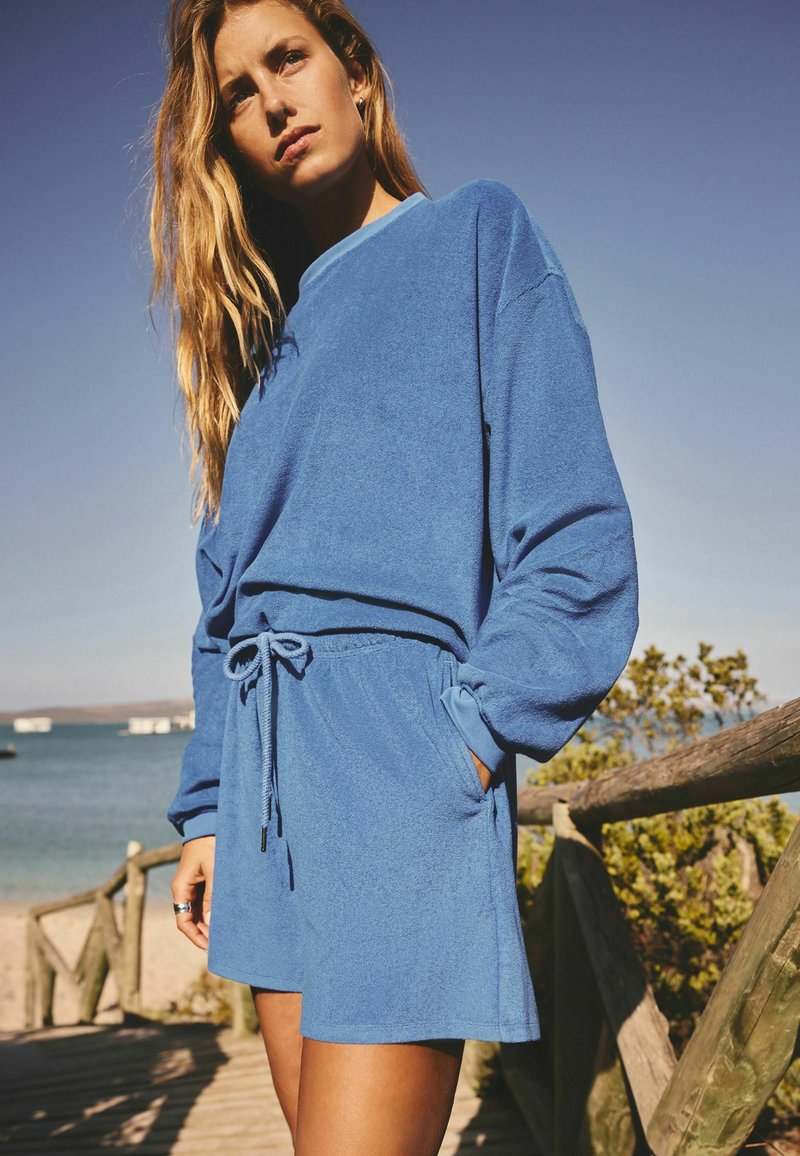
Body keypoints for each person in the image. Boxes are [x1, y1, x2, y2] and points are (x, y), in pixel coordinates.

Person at [149, 0, 639, 1150]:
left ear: (356, 73)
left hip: (396, 771)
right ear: (226, 143)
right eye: (236, 94)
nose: (271, 101)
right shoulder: (262, 344)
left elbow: (575, 543)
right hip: (264, 800)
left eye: (288, 59)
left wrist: (461, 741)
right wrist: (209, 805)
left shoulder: (475, 235)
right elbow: (224, 607)